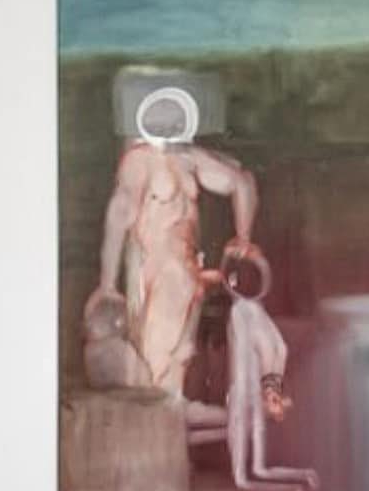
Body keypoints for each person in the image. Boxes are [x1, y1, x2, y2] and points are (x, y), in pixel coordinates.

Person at [84, 86, 264, 397]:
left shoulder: (191, 160)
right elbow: (120, 212)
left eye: (175, 117)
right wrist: (107, 282)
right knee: (160, 360)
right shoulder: (140, 160)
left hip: (191, 271)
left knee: (183, 355)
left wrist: (243, 238)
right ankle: (159, 409)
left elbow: (241, 182)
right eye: (162, 117)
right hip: (163, 269)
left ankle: (173, 408)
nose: (169, 123)